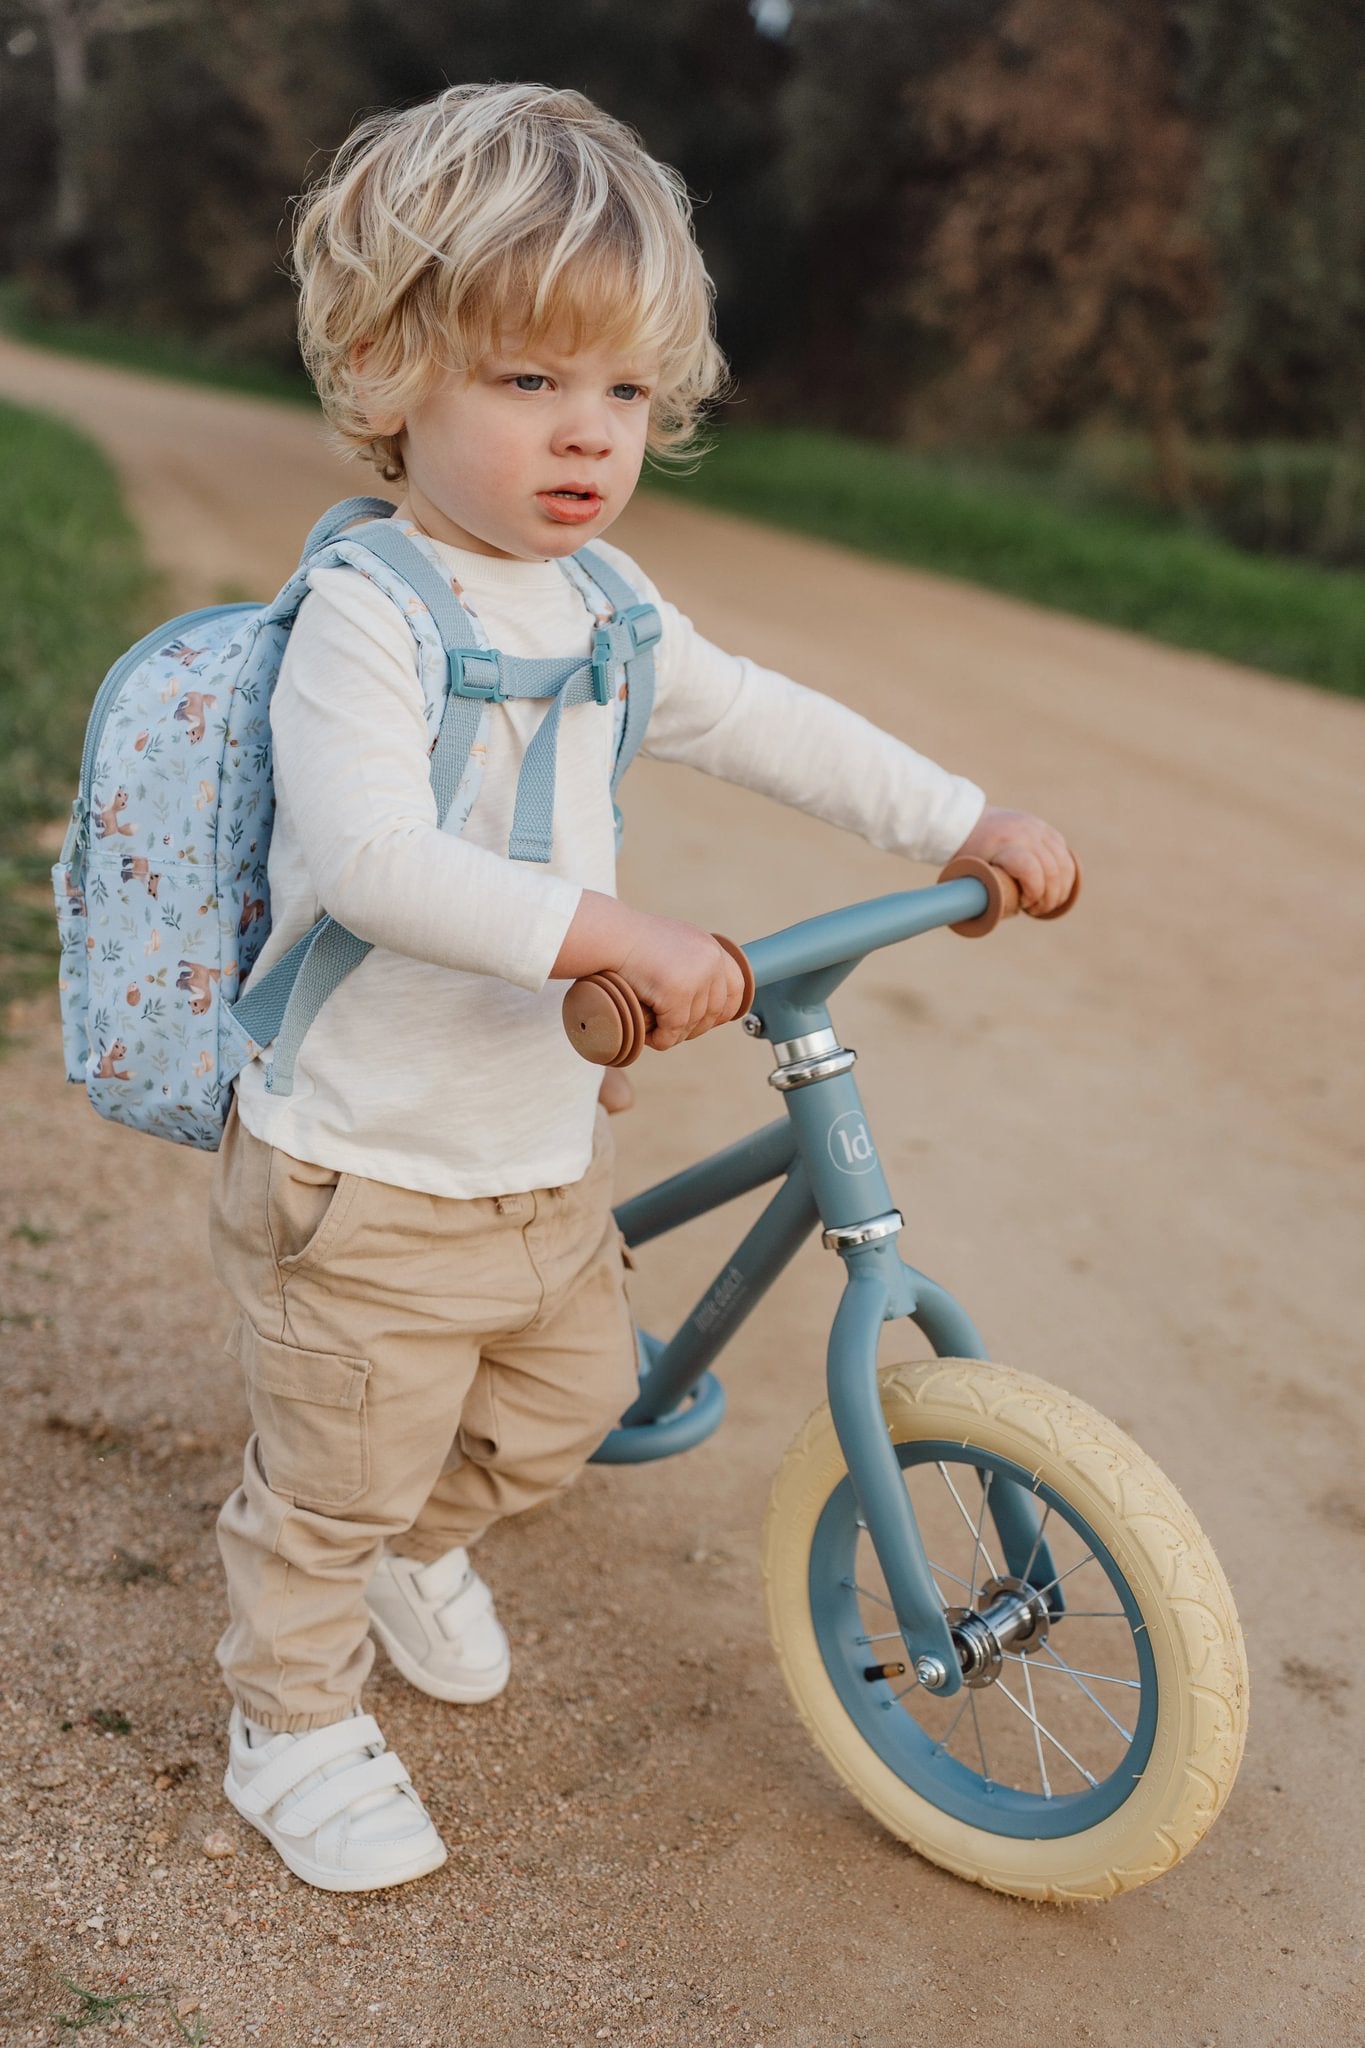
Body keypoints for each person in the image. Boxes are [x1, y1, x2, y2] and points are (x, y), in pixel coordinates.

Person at [208, 81, 1076, 1893]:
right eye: (526, 383)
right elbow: (369, 860)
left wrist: (956, 817)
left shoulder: (602, 605)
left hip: (535, 1144)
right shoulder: (369, 609)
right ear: (385, 372)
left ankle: (408, 1544)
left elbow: (765, 719)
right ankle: (286, 1721)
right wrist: (612, 934)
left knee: (550, 1422)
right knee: (330, 1484)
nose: (586, 434)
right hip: (364, 1159)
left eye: (618, 389)